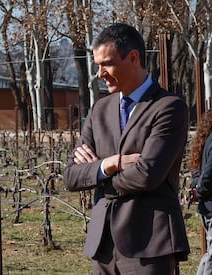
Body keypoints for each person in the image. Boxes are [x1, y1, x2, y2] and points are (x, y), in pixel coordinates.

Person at [63, 23, 190, 274]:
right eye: (97, 65)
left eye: (106, 64)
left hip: (149, 245)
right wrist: (110, 163)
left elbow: (147, 175)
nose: (100, 73)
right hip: (103, 246)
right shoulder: (99, 109)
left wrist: (96, 174)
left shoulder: (168, 107)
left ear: (133, 58)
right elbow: (71, 176)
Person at [189, 110, 212, 275]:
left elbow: (198, 172)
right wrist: (201, 190)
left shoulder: (205, 140)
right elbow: (209, 173)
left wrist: (197, 190)